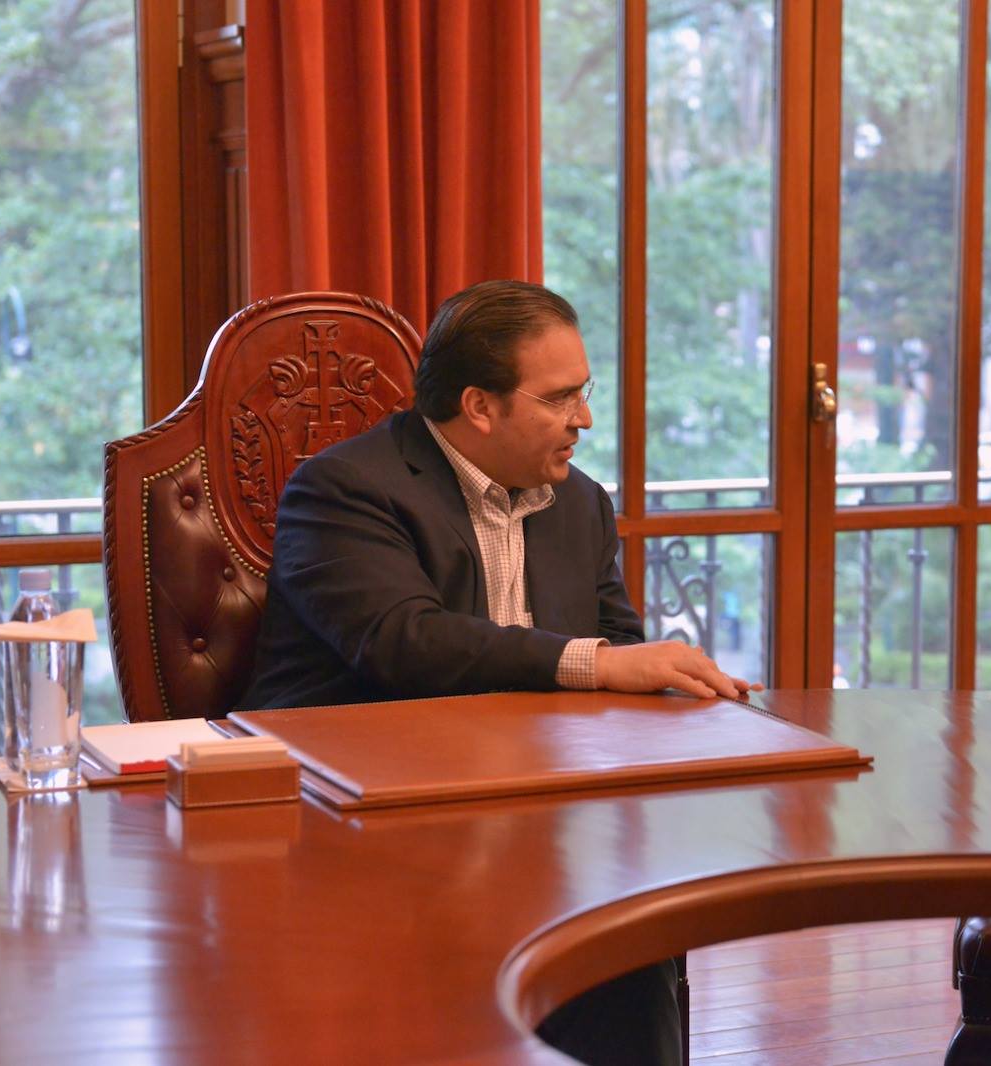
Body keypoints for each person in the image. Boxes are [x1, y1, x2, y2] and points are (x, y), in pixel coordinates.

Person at [241, 279, 754, 1066]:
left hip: (527, 821)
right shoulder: (346, 489)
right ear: (479, 406)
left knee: (626, 941)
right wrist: (599, 663)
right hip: (359, 827)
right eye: (560, 398)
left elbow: (618, 644)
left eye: (585, 392)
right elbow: (405, 642)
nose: (584, 419)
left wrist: (669, 688)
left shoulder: (580, 503)